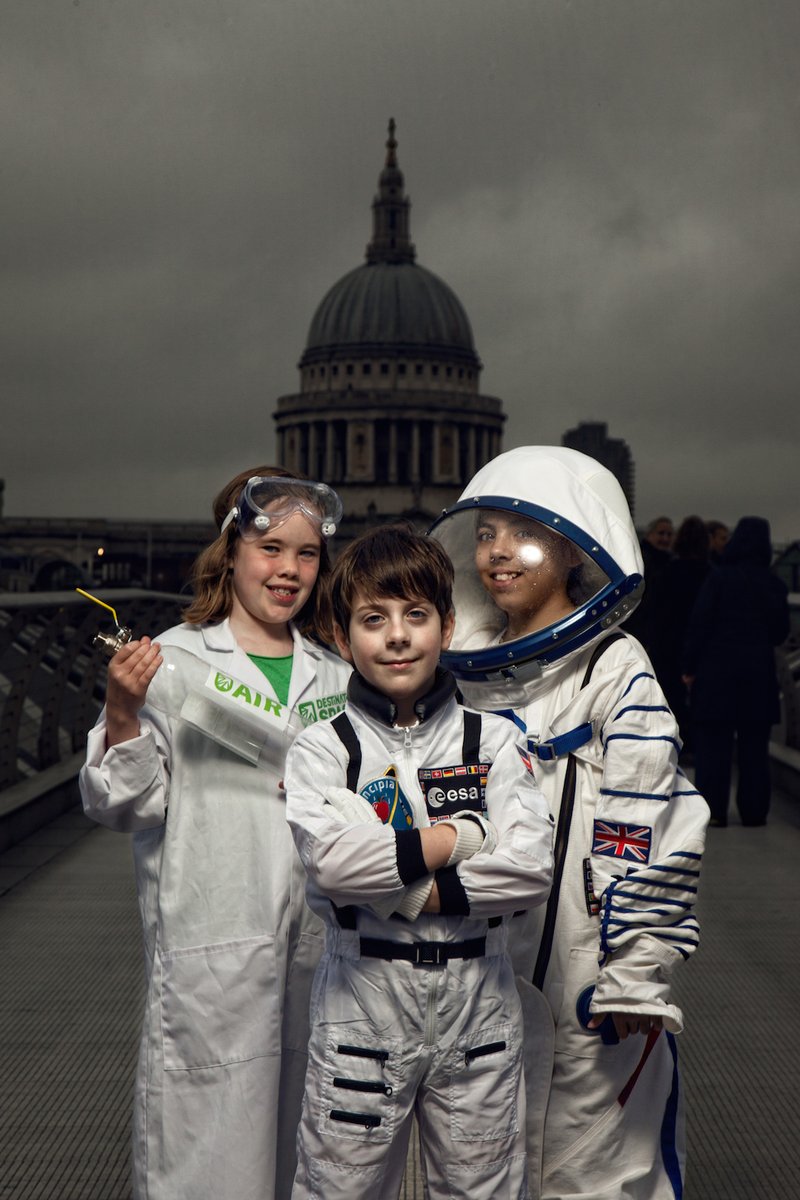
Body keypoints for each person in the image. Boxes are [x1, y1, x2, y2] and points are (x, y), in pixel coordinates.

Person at [429, 446, 709, 1200]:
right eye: (484, 535)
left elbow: (652, 815)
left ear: (573, 547)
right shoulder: (457, 666)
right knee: (474, 1159)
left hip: (590, 962)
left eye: (518, 536)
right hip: (475, 957)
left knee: (598, 1160)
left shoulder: (613, 667)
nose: (494, 554)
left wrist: (634, 969)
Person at [79, 468, 352, 1200]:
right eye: (270, 548)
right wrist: (125, 709)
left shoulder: (338, 674)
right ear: (231, 550)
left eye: (306, 554)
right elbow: (120, 803)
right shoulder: (174, 663)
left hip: (320, 952)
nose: (288, 570)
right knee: (207, 1160)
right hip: (214, 952)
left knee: (314, 1154)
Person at [283, 525, 554, 1200]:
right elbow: (336, 869)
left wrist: (403, 891)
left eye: (417, 616)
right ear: (344, 639)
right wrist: (462, 835)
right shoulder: (322, 748)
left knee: (482, 1191)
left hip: (478, 1008)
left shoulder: (492, 740)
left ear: (447, 624)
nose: (398, 637)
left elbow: (529, 870)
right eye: (374, 620)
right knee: (336, 1188)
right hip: (362, 1003)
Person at [682, 516, 790, 827]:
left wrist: (689, 667)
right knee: (754, 750)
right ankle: (754, 812)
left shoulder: (719, 579)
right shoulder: (774, 585)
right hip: (758, 677)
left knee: (714, 748)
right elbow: (780, 633)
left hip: (716, 676)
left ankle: (714, 811)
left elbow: (699, 625)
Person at [647, 515, 711, 752]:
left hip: (668, 647)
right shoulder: (711, 575)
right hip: (700, 651)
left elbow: (658, 614)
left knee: (671, 701)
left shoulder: (668, 572)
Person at [622, 515, 674, 652]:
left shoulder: (667, 561)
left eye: (669, 534)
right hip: (640, 628)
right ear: (650, 534)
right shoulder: (642, 560)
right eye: (661, 533)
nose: (665, 538)